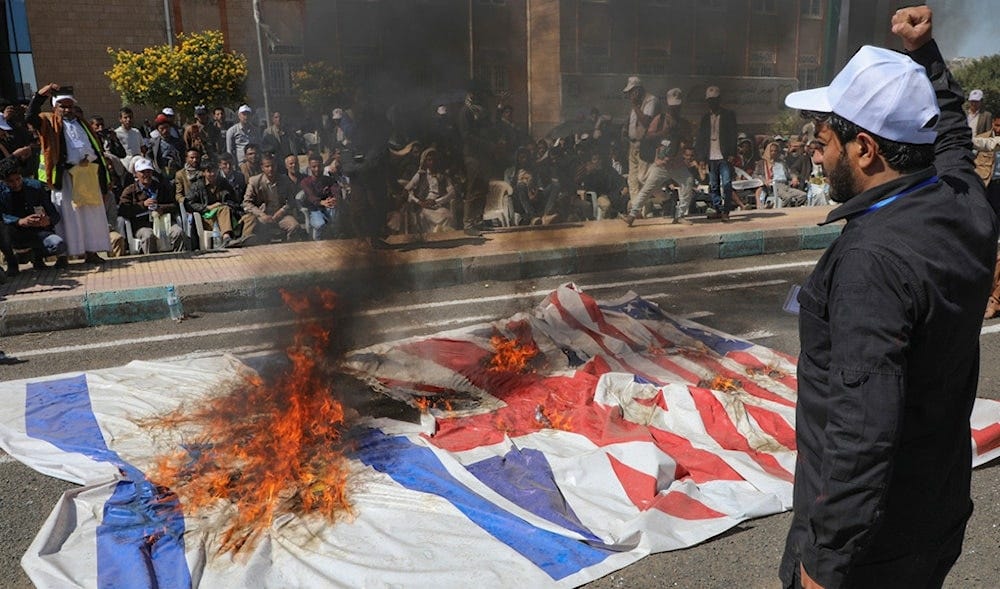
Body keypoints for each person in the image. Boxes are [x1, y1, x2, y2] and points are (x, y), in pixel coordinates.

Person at [779, 7, 998, 588]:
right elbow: (950, 131)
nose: (816, 154)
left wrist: (824, 565)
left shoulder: (871, 263)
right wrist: (925, 54)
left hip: (875, 551)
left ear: (866, 149)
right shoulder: (962, 199)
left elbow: (862, 430)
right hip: (938, 511)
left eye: (824, 141)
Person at [26, 83, 111, 264]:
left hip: (87, 175)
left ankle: (91, 252)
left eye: (70, 106)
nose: (67, 109)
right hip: (65, 178)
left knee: (90, 215)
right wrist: (40, 95)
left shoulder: (82, 123)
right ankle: (63, 256)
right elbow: (30, 116)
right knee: (66, 215)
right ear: (55, 107)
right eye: (62, 106)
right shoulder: (48, 121)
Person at [0, 156, 67, 275]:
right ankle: (11, 262)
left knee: (57, 244)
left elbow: (54, 215)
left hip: (37, 232)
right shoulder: (1, 191)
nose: (16, 184)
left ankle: (38, 258)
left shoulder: (35, 187)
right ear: (3, 181)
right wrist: (19, 221)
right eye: (11, 181)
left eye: (18, 179)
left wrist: (48, 220)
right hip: (12, 233)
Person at [118, 158, 187, 254]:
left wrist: (161, 209)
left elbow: (174, 205)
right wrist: (143, 205)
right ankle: (152, 261)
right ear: (136, 174)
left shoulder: (161, 187)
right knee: (148, 235)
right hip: (142, 224)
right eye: (143, 172)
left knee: (178, 232)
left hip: (164, 222)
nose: (146, 175)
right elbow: (123, 210)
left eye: (149, 172)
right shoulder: (130, 191)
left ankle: (181, 258)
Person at [240, 153, 305, 245]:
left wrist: (282, 211)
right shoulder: (254, 181)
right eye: (267, 166)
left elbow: (291, 200)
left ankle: (289, 248)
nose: (270, 169)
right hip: (263, 216)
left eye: (273, 166)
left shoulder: (284, 180)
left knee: (294, 226)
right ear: (262, 168)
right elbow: (246, 203)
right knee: (258, 228)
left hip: (280, 216)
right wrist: (261, 214)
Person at [695, 86, 738, 221]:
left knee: (726, 183)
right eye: (710, 100)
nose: (712, 103)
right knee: (713, 184)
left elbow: (733, 135)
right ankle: (718, 209)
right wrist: (701, 157)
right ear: (707, 102)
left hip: (724, 155)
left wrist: (732, 152)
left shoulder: (728, 115)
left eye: (715, 100)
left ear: (719, 100)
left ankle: (726, 210)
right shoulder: (705, 118)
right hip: (711, 155)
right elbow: (701, 138)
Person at [184, 160, 240, 248]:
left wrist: (224, 204)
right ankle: (226, 238)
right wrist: (208, 207)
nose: (213, 174)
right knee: (224, 209)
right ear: (203, 173)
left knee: (249, 218)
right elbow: (189, 204)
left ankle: (243, 239)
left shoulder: (224, 183)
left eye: (214, 171)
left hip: (227, 216)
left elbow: (234, 200)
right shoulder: (197, 186)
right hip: (207, 219)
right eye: (209, 171)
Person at [622, 76, 658, 205]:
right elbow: (632, 121)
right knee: (632, 179)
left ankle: (648, 206)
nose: (630, 96)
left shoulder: (650, 100)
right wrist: (626, 128)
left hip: (645, 145)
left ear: (637, 90)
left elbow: (646, 121)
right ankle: (635, 209)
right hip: (632, 144)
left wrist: (634, 106)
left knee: (643, 177)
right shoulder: (636, 104)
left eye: (631, 92)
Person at [403, 147, 455, 235]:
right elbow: (407, 190)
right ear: (425, 162)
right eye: (429, 160)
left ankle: (441, 238)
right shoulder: (420, 175)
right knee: (423, 216)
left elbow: (452, 192)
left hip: (438, 206)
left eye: (434, 160)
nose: (432, 162)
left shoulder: (443, 175)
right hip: (424, 206)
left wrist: (437, 201)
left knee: (447, 216)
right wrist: (419, 202)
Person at [300, 152, 347, 240]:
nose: (317, 169)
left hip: (329, 207)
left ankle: (337, 239)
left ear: (322, 165)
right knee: (320, 224)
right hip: (315, 209)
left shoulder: (329, 180)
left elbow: (336, 191)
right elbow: (310, 196)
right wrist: (321, 202)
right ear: (310, 167)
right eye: (314, 167)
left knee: (335, 214)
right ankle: (317, 244)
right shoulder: (305, 182)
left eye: (319, 166)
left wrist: (334, 199)